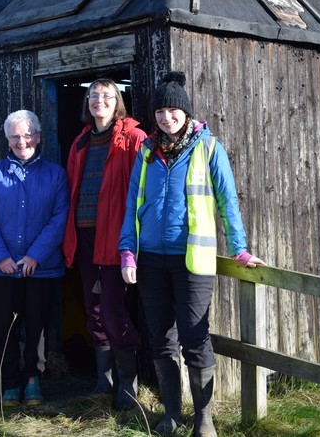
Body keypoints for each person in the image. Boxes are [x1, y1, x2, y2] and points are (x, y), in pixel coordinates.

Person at [118, 72, 265, 437]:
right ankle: (171, 413)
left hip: (192, 261)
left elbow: (228, 202)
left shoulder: (209, 148)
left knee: (195, 337)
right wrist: (127, 251)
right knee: (161, 339)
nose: (167, 117)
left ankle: (204, 418)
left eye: (173, 110)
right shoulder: (147, 152)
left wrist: (239, 249)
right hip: (150, 259)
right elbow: (132, 203)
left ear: (185, 113)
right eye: (161, 111)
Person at [0, 110, 68, 408]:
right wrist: (0, 256)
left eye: (27, 135)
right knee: (5, 326)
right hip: (0, 268)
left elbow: (59, 217)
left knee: (38, 324)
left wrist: (35, 256)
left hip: (41, 268)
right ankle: (9, 381)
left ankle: (32, 379)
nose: (21, 141)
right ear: (7, 139)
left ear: (38, 137)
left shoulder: (55, 174)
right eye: (14, 136)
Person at [63, 79, 146, 410]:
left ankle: (128, 382)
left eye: (107, 96)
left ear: (118, 102)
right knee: (93, 308)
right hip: (84, 236)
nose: (100, 101)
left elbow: (143, 190)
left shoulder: (134, 138)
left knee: (113, 309)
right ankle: (104, 379)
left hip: (116, 237)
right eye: (94, 96)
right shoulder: (80, 141)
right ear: (87, 103)